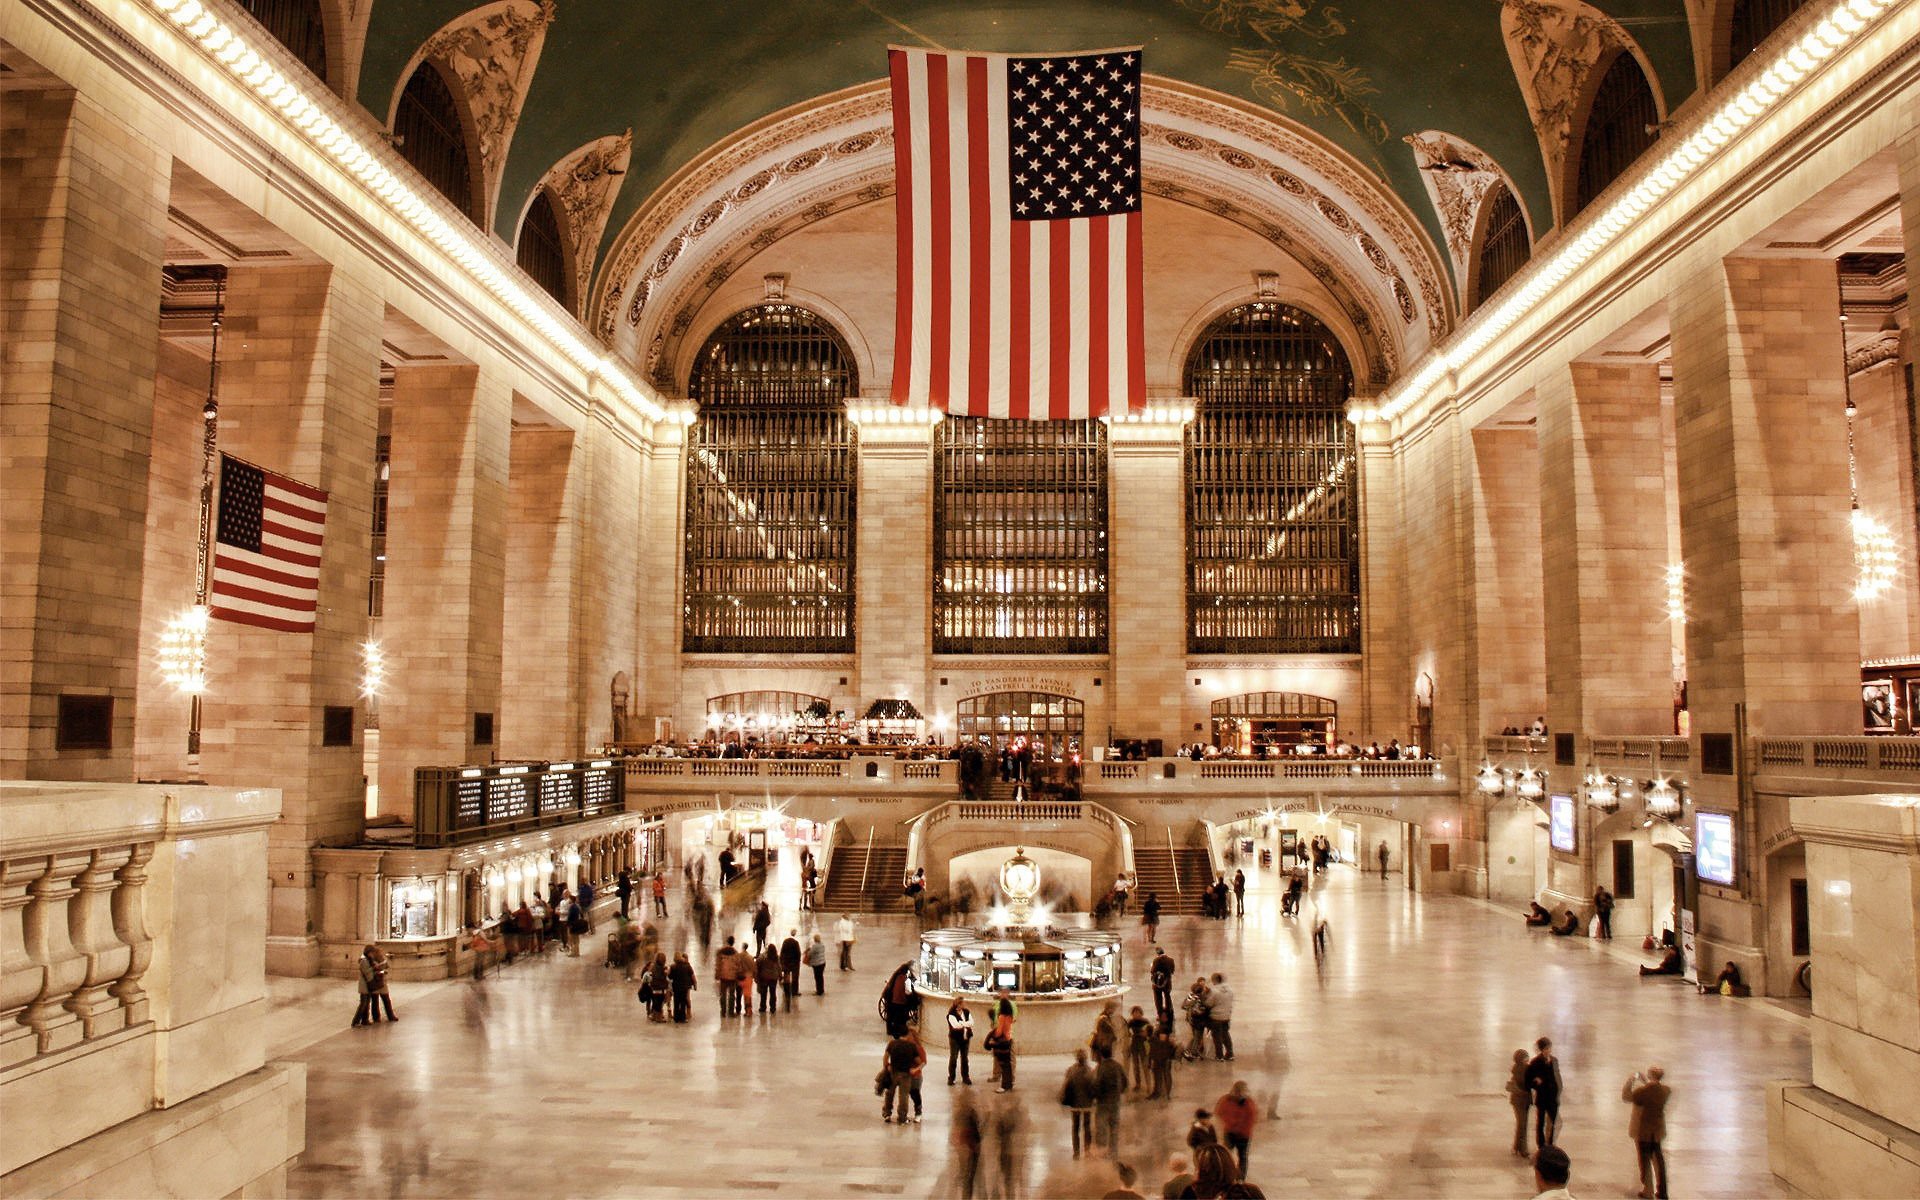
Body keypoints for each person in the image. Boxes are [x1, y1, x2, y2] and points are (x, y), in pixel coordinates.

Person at [1624, 1066, 1670, 1199]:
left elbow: (1627, 1097)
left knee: (1644, 1160)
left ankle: (1648, 1190)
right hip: (1657, 1131)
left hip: (1643, 1131)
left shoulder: (1642, 1092)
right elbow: (1653, 1092)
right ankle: (1662, 1190)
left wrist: (1631, 1080)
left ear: (1650, 1075)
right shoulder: (1666, 1091)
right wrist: (1647, 1083)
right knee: (1659, 1161)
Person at [1525, 1037, 1563, 1150]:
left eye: (1549, 1048)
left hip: (1553, 1097)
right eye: (1546, 1048)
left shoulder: (1554, 1061)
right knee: (1540, 1122)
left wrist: (1559, 1091)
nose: (1548, 1050)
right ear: (1541, 1049)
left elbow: (1557, 1077)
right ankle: (1541, 1145)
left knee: (1553, 1122)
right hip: (1542, 1097)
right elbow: (1528, 1081)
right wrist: (1536, 1083)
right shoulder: (1535, 1062)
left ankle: (1550, 1144)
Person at [1213, 1081, 1258, 1175]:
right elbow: (1219, 1112)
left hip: (1241, 1134)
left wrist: (1232, 1124)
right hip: (1233, 1133)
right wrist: (1231, 1123)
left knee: (1239, 1156)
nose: (1241, 1094)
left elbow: (1252, 1119)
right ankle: (1229, 1175)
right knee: (1230, 1156)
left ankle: (1239, 1177)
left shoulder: (1248, 1104)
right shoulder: (1227, 1100)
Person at [1061, 1049, 1098, 1158]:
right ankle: (1087, 1151)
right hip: (1086, 1106)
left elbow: (1066, 1087)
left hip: (1075, 1105)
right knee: (1087, 1128)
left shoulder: (1070, 1070)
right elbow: (1093, 1088)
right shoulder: (1090, 1071)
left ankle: (1076, 1152)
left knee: (1075, 1128)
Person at [881, 1028, 921, 1124]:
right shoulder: (912, 1046)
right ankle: (902, 1118)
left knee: (889, 1094)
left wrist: (887, 1066)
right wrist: (915, 1069)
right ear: (907, 1035)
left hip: (893, 1073)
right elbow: (919, 1061)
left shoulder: (892, 1044)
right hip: (905, 1075)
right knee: (903, 1096)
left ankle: (887, 1114)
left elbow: (885, 1057)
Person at [1094, 1047, 1129, 1153]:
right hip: (1115, 1101)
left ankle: (1102, 1151)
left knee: (1102, 1128)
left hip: (1103, 1102)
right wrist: (1120, 1092)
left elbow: (1098, 1084)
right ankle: (1113, 1151)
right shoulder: (1118, 1066)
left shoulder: (1101, 1067)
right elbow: (1125, 1082)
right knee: (1114, 1126)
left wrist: (1096, 1097)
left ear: (1101, 1055)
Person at [952, 1085, 984, 1200]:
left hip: (970, 1149)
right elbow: (964, 1131)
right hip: (970, 1149)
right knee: (969, 1178)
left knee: (969, 1177)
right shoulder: (967, 1113)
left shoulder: (966, 1112)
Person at [353, 944, 394, 1025]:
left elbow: (384, 966)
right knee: (364, 1004)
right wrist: (375, 968)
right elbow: (367, 972)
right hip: (366, 985)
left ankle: (365, 1020)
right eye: (372, 952)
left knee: (367, 1004)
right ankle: (356, 1021)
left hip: (371, 984)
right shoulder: (365, 960)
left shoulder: (371, 959)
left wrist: (378, 969)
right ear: (369, 953)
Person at [987, 989, 1017, 1091]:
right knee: (1004, 1061)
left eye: (1004, 992)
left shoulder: (1003, 1015)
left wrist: (993, 1036)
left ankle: (1006, 1083)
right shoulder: (1007, 1013)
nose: (1002, 994)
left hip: (1002, 1039)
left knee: (1006, 1062)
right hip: (1007, 1037)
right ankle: (1006, 1082)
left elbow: (1000, 1030)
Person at [1506, 1048, 1533, 1156]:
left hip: (1521, 1101)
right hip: (1520, 1100)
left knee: (1521, 1124)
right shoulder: (1522, 1069)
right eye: (1526, 1057)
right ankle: (1523, 1149)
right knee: (1522, 1124)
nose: (1528, 1058)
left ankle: (1517, 1146)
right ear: (1520, 1059)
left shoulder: (1518, 1069)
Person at [882, 962, 919, 1035]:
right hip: (900, 1003)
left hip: (891, 1001)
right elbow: (908, 992)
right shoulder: (906, 980)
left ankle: (891, 1030)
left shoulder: (895, 977)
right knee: (914, 1001)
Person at [1206, 973, 1235, 1061]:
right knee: (1226, 1034)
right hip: (1226, 1016)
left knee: (1217, 1037)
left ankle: (1219, 1055)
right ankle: (1230, 1053)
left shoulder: (1214, 991)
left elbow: (1209, 1003)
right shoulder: (1230, 990)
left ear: (1215, 980)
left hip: (1216, 1017)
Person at [1182, 978, 1212, 1061]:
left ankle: (1188, 1050)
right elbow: (1203, 1010)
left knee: (1195, 1036)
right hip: (1199, 1021)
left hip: (1191, 1019)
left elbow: (1183, 1006)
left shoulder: (1190, 995)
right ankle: (1193, 1052)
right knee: (1197, 1037)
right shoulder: (1199, 999)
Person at [947, 997, 974, 1085]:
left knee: (965, 1058)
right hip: (955, 1039)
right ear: (958, 1004)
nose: (964, 1004)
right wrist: (965, 1024)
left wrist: (962, 1023)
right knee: (953, 1058)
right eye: (963, 1003)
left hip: (965, 1038)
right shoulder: (951, 1014)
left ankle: (965, 1077)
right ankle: (951, 1078)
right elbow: (955, 1026)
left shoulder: (966, 1012)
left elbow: (972, 1022)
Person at [1125, 1005, 1153, 1091]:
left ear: (1141, 1013)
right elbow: (1126, 1031)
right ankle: (1138, 1084)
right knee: (1136, 1066)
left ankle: (1149, 1085)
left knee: (1145, 1066)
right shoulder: (1131, 1022)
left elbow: (1150, 1033)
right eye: (1134, 1012)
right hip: (1134, 1045)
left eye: (1138, 1012)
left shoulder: (1145, 1022)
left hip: (1143, 1045)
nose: (1136, 1014)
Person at [714, 936, 742, 1017]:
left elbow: (718, 965)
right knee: (732, 995)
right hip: (733, 977)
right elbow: (738, 966)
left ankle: (723, 1011)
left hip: (723, 976)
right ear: (733, 942)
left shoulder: (720, 952)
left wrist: (717, 975)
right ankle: (730, 1012)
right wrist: (738, 974)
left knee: (723, 994)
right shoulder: (736, 953)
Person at [1150, 947, 1176, 1025]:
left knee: (1158, 998)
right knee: (1167, 997)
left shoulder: (1156, 960)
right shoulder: (1171, 960)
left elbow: (1152, 971)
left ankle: (1160, 1013)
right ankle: (1169, 1012)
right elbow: (1172, 971)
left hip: (1157, 983)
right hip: (1167, 982)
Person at [1149, 1027, 1177, 1100]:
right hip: (1161, 1057)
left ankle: (1165, 1094)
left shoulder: (1162, 1030)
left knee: (1165, 1075)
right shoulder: (1160, 1031)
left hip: (1163, 1057)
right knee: (1162, 1075)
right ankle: (1162, 1093)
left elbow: (1163, 1043)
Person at [667, 950, 695, 1023]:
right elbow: (691, 975)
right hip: (685, 987)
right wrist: (694, 984)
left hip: (676, 987)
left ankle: (676, 1017)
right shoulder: (687, 965)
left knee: (676, 1002)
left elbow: (670, 977)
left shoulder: (673, 967)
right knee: (683, 1002)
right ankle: (683, 1017)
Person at [779, 929, 802, 1010]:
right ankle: (795, 991)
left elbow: (782, 953)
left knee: (786, 977)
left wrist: (782, 962)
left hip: (786, 963)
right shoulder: (796, 943)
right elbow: (798, 953)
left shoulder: (785, 942)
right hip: (794, 963)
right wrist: (798, 961)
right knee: (795, 977)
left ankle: (786, 990)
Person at [755, 943, 780, 1013]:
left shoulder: (763, 956)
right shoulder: (776, 957)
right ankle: (773, 1008)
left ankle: (763, 1007)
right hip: (773, 978)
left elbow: (757, 962)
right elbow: (779, 967)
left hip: (765, 977)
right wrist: (780, 975)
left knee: (764, 993)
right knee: (773, 993)